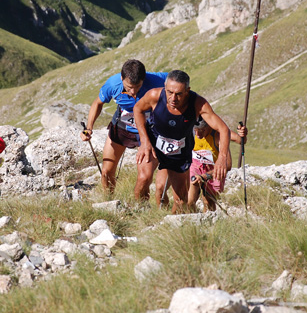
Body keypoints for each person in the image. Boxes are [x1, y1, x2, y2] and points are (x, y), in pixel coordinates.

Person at [134, 70, 245, 213]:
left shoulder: (198, 104)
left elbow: (223, 129)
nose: (173, 98)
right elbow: (137, 109)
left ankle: (170, 225)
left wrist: (222, 157)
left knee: (181, 200)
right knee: (144, 178)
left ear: (188, 91)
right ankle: (140, 215)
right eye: (169, 92)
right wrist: (144, 141)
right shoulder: (155, 95)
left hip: (179, 151)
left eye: (179, 94)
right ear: (165, 87)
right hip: (154, 143)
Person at [80, 59, 168, 198]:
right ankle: (109, 201)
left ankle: (141, 209)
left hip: (149, 131)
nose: (133, 92)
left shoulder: (158, 80)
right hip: (122, 126)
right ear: (122, 78)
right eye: (128, 87)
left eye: (137, 86)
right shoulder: (113, 84)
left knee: (144, 177)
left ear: (143, 79)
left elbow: (181, 83)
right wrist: (89, 128)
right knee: (106, 172)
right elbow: (97, 103)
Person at [187, 118, 246, 212]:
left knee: (208, 201)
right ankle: (191, 220)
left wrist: (242, 134)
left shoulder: (218, 135)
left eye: (202, 131)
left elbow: (228, 165)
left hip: (215, 169)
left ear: (209, 126)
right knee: (190, 199)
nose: (198, 135)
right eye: (195, 131)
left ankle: (208, 221)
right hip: (196, 165)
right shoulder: (191, 131)